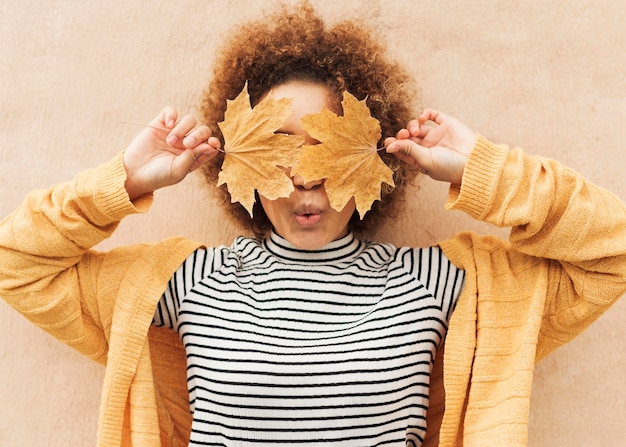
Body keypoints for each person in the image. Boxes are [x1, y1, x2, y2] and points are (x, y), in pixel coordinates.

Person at [1, 3, 626, 447]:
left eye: (330, 148)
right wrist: (128, 182)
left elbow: (612, 251)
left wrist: (485, 169)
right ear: (233, 158)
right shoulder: (188, 281)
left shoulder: (437, 283)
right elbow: (16, 263)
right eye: (277, 147)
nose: (304, 178)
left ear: (376, 157)